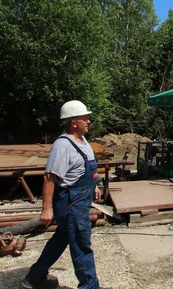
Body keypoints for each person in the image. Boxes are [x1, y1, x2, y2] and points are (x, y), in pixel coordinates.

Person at [22, 100, 104, 289]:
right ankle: (90, 286)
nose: (89, 121)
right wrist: (46, 210)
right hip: (71, 203)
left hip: (80, 199)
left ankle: (34, 278)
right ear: (74, 123)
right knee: (81, 245)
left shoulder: (82, 141)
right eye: (85, 118)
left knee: (61, 239)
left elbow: (86, 168)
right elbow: (49, 178)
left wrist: (95, 186)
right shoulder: (63, 146)